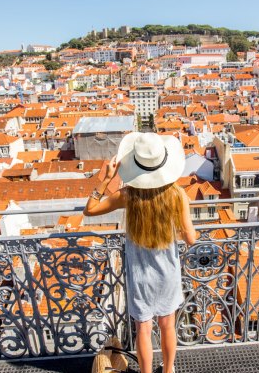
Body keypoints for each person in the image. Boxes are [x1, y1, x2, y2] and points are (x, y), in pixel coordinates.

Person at [84, 132, 196, 373]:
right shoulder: (178, 195)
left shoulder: (128, 196)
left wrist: (105, 178)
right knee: (168, 326)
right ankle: (167, 370)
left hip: (139, 275)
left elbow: (90, 210)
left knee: (143, 330)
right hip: (168, 272)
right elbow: (191, 238)